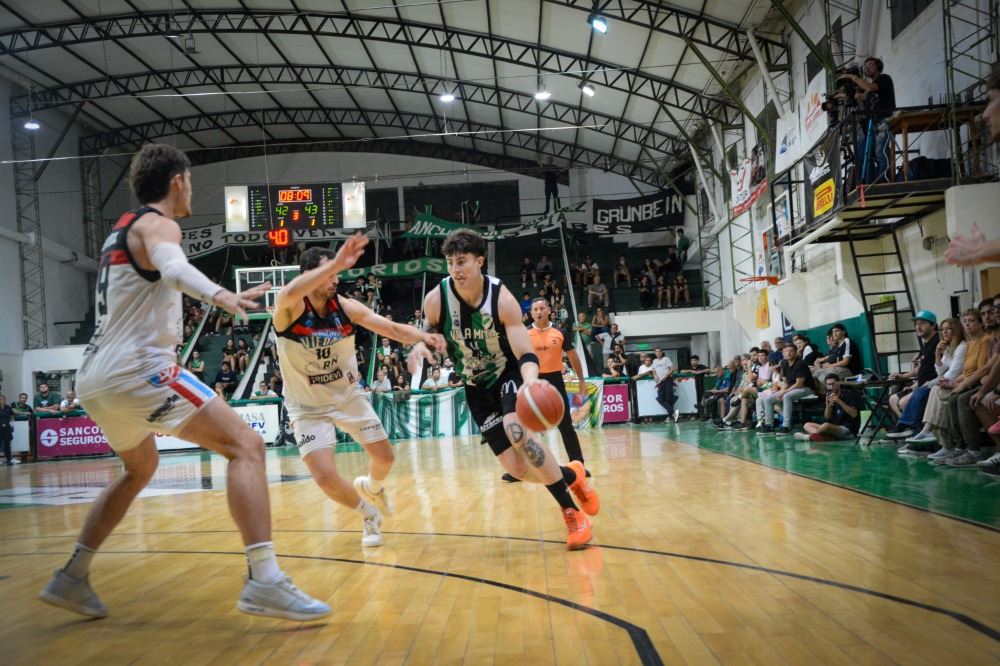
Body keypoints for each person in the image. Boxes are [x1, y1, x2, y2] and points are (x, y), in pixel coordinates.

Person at [40, 143, 329, 621]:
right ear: (177, 181)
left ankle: (71, 576)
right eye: (190, 181)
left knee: (140, 469)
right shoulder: (159, 223)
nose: (191, 189)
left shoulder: (120, 230)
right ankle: (264, 580)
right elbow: (174, 269)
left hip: (93, 378)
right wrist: (223, 296)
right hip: (138, 369)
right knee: (247, 446)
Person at [410, 228, 599, 550]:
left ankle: (572, 514)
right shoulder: (436, 299)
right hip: (475, 387)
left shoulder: (501, 299)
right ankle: (572, 475)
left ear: (479, 261)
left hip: (507, 373)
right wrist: (420, 345)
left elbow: (525, 353)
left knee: (517, 431)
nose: (456, 269)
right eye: (451, 263)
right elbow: (427, 330)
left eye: (462, 261)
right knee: (517, 470)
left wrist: (530, 381)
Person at [273, 241, 447, 549]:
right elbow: (287, 293)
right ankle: (368, 514)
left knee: (385, 457)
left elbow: (392, 329)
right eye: (329, 273)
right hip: (306, 406)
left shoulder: (345, 307)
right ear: (308, 276)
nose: (336, 279)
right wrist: (333, 264)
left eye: (337, 272)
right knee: (324, 478)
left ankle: (372, 487)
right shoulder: (290, 309)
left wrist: (424, 336)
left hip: (347, 396)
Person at [499, 297, 589, 483]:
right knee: (523, 428)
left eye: (542, 308)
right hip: (530, 380)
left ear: (549, 310)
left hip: (554, 382)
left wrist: (581, 381)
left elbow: (573, 357)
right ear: (531, 313)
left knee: (566, 425)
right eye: (535, 309)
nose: (539, 312)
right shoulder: (524, 333)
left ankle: (578, 464)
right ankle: (519, 471)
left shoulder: (561, 332)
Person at [840, 56, 896, 184]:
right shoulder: (868, 89)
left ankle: (885, 181)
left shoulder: (884, 78)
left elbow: (870, 88)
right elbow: (865, 99)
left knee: (881, 153)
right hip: (873, 123)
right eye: (865, 66)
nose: (867, 68)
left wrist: (853, 77)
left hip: (883, 120)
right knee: (868, 155)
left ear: (878, 66)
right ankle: (871, 182)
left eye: (870, 64)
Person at [756, 343, 817, 434]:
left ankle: (786, 426)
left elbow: (799, 384)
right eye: (786, 351)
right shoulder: (784, 363)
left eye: (791, 351)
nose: (788, 353)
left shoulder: (800, 364)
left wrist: (784, 392)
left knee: (786, 396)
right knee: (768, 399)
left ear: (796, 352)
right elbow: (785, 382)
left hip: (806, 388)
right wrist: (781, 391)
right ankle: (769, 425)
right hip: (792, 388)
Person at [794, 375, 863, 442]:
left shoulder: (849, 394)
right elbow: (827, 417)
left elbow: (854, 414)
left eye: (833, 384)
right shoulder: (830, 395)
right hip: (833, 428)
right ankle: (823, 437)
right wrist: (828, 405)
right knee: (807, 425)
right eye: (828, 384)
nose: (831, 387)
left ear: (838, 383)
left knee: (825, 426)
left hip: (848, 430)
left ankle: (810, 437)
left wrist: (839, 401)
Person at [652, 348, 677, 421]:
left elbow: (672, 368)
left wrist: (666, 376)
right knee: (660, 399)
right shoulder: (654, 361)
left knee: (668, 398)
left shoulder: (666, 359)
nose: (658, 353)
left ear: (662, 352)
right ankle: (673, 413)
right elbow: (653, 370)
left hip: (667, 380)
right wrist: (655, 375)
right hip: (659, 382)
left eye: (659, 351)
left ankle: (670, 416)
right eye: (656, 352)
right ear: (655, 353)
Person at [0, 395, 14, 466]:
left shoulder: (8, 407)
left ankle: (9, 460)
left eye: (3, 399)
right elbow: (6, 415)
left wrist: (12, 426)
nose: (2, 400)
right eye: (0, 399)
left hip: (7, 427)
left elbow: (11, 415)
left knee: (7, 444)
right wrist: (5, 415)